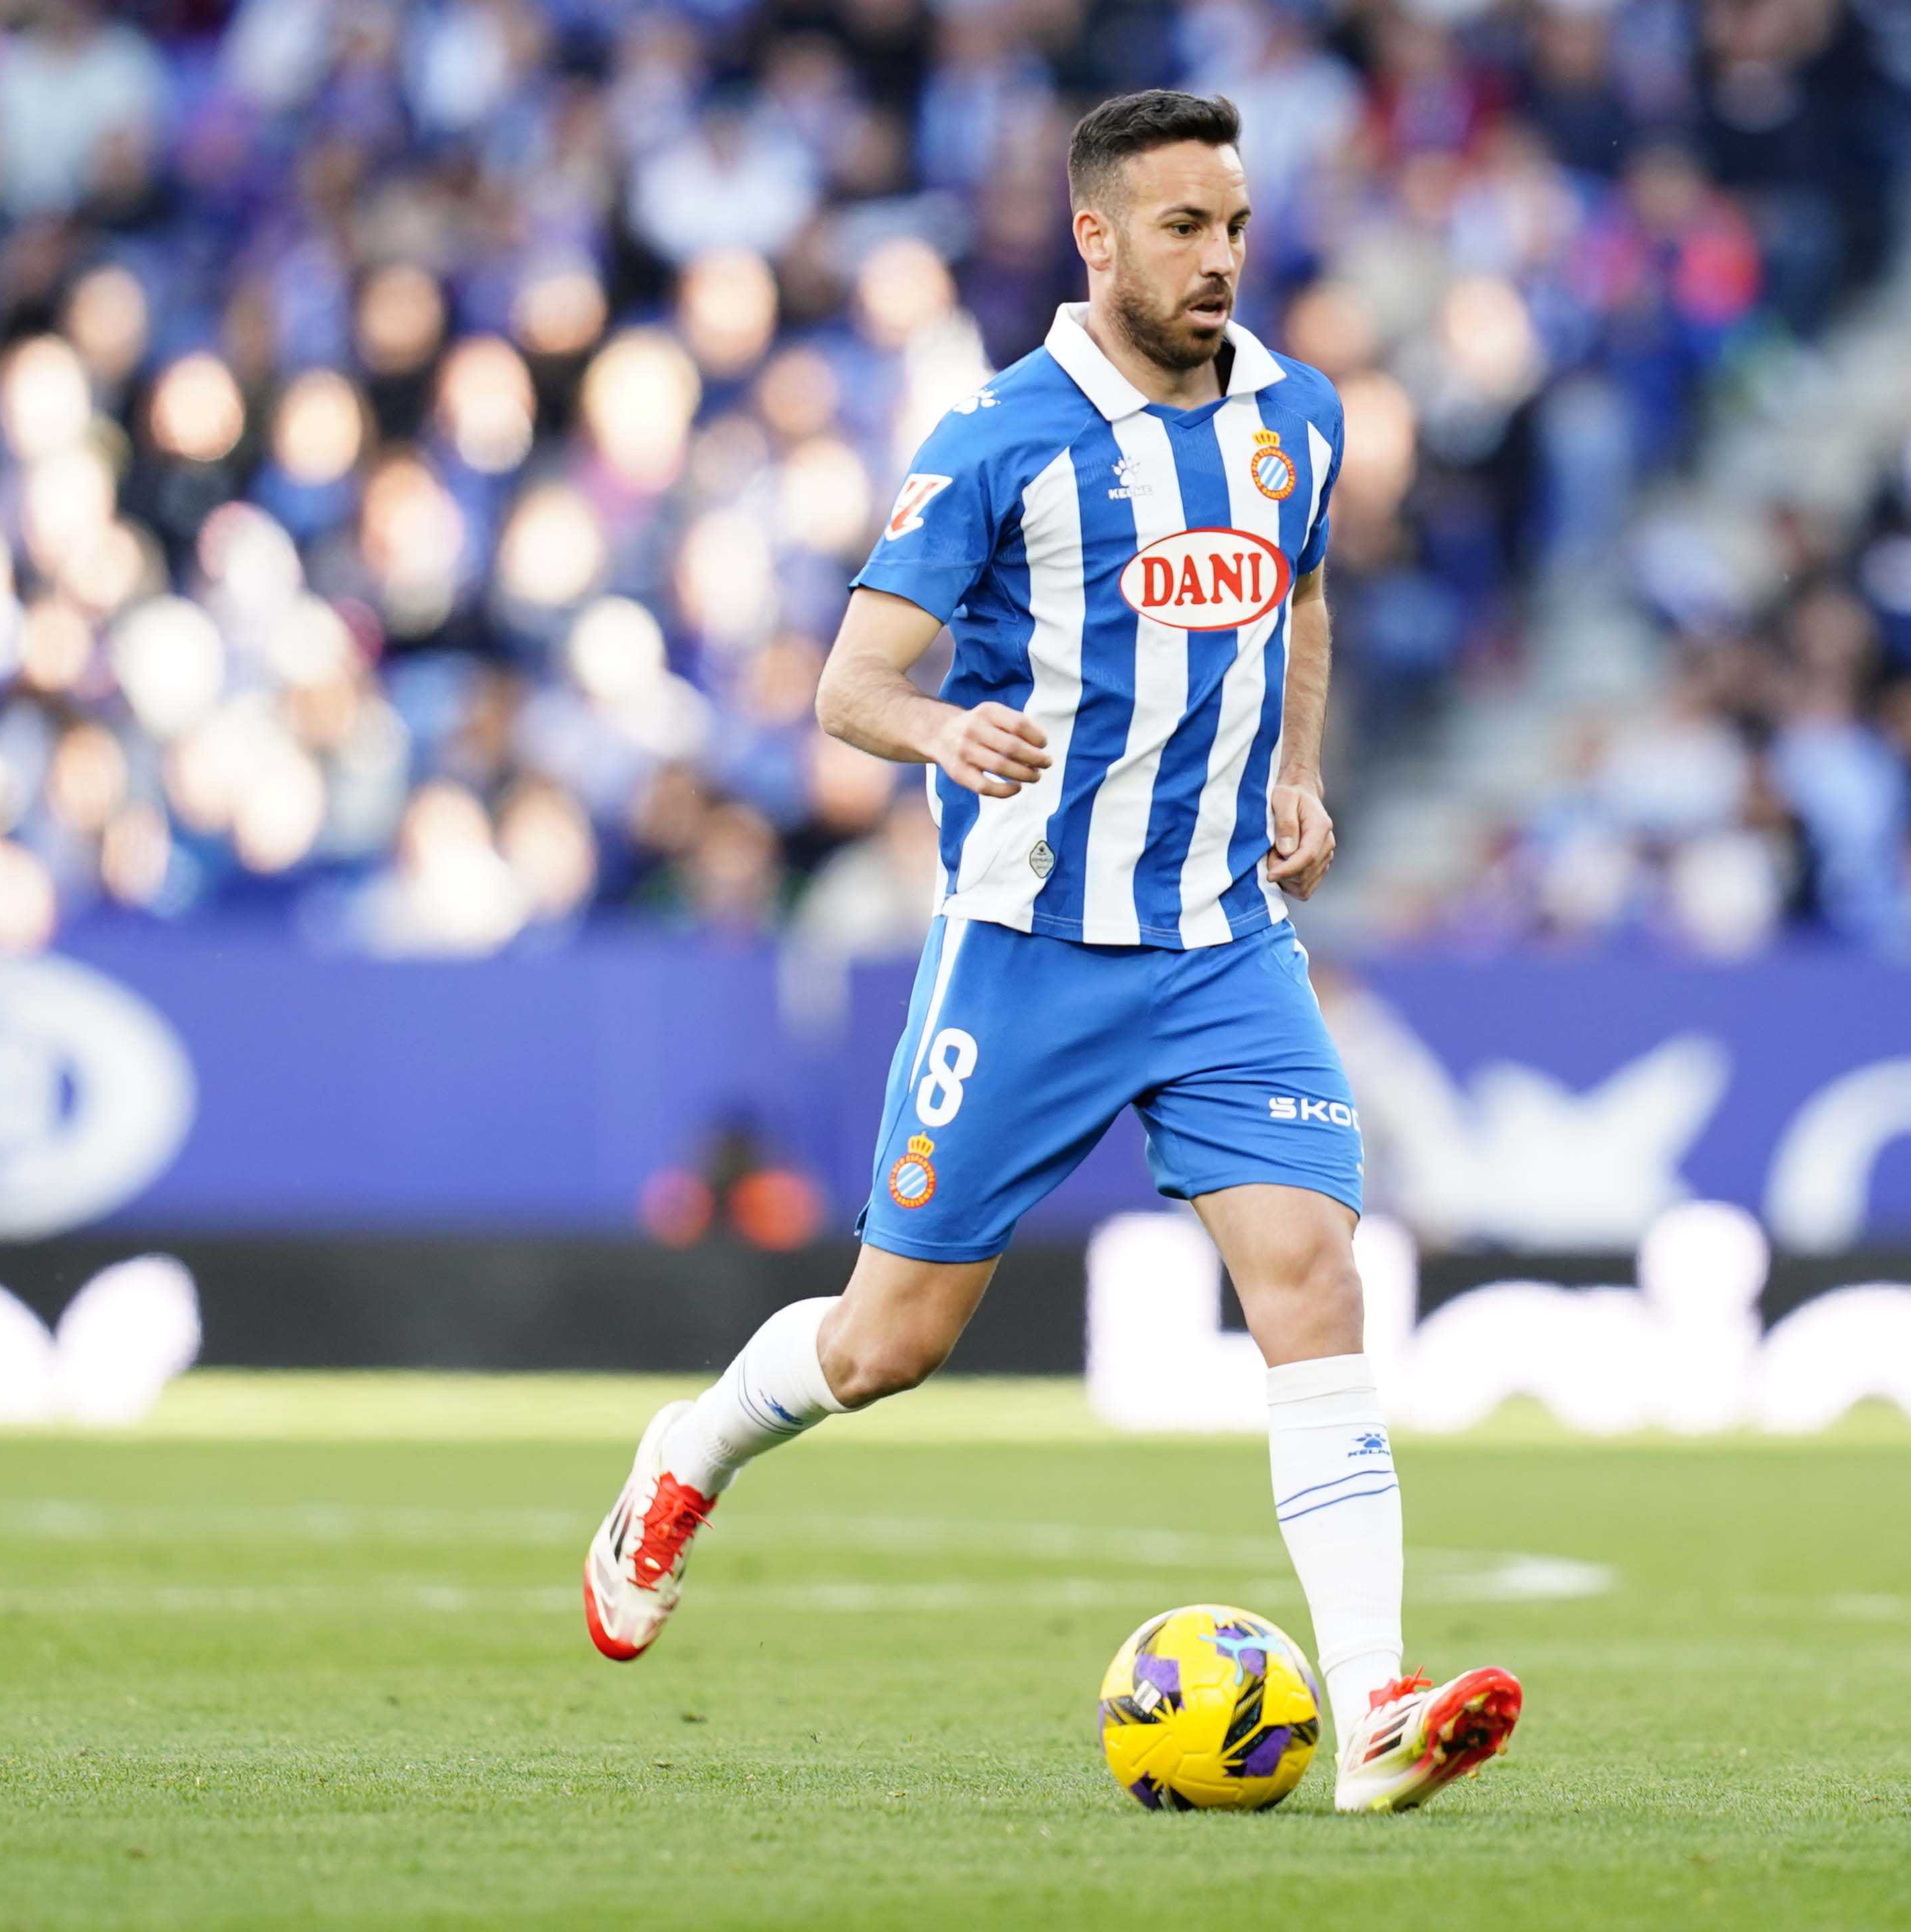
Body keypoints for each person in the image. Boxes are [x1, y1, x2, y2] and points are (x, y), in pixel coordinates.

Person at [580, 89, 1521, 1814]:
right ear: (1095, 238)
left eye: (1234, 226)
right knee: (885, 1345)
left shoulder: (1296, 417)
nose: (1219, 259)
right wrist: (943, 732)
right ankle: (686, 1453)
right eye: (1182, 229)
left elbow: (1301, 596)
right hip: (1030, 946)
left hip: (1223, 942)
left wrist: (1296, 774)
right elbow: (850, 685)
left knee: (1312, 1278)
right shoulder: (998, 438)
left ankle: (1377, 1705)